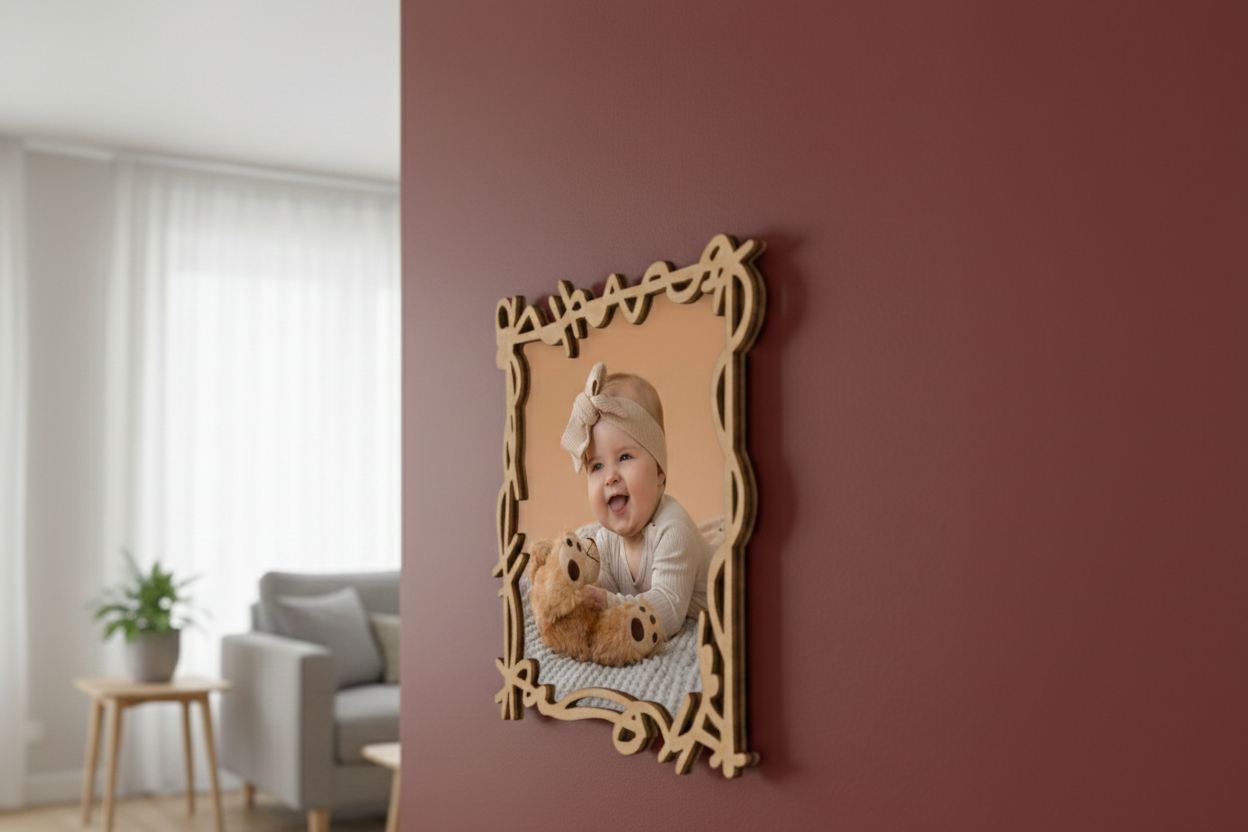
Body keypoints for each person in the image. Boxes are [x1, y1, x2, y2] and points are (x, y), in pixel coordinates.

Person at [560, 361, 713, 641]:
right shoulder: (605, 539)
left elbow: (667, 611)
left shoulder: (673, 530)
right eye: (596, 466)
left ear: (658, 471)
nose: (610, 477)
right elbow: (602, 582)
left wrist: (611, 604)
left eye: (624, 457)